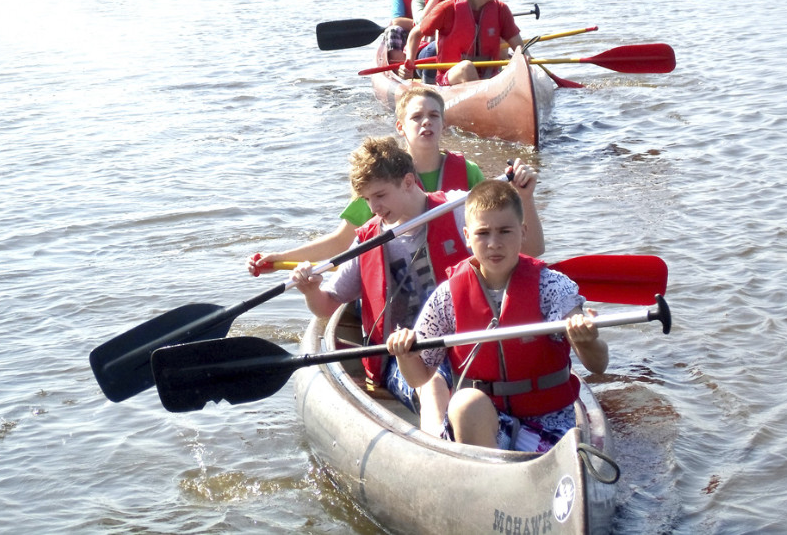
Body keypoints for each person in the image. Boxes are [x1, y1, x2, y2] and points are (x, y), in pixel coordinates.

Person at [291, 137, 543, 434]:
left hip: (469, 337)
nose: (374, 207)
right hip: (405, 352)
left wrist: (525, 198)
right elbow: (327, 305)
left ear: (408, 181)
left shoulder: (457, 208)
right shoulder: (367, 240)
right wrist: (310, 290)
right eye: (368, 199)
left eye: (380, 195)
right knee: (434, 380)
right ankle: (437, 445)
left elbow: (533, 250)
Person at [386, 179, 608, 451]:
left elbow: (598, 365)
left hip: (551, 426)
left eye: (505, 231)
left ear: (523, 232)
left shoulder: (553, 287)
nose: (494, 244)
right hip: (485, 427)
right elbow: (419, 377)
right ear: (467, 236)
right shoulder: (446, 297)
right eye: (483, 233)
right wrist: (404, 354)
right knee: (465, 402)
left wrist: (586, 340)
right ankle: (488, 481)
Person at [246, 88, 485, 276]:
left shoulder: (468, 171)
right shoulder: (381, 178)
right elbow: (341, 241)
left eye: (434, 116)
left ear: (444, 123)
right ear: (400, 127)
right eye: (417, 117)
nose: (426, 122)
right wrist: (279, 259)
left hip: (459, 271)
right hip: (404, 275)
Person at [402, 0, 522, 86]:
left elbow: (519, 47)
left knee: (519, 65)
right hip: (451, 77)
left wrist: (525, 59)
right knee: (466, 68)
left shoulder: (501, 10)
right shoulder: (447, 8)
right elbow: (415, 33)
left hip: (489, 78)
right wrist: (409, 62)